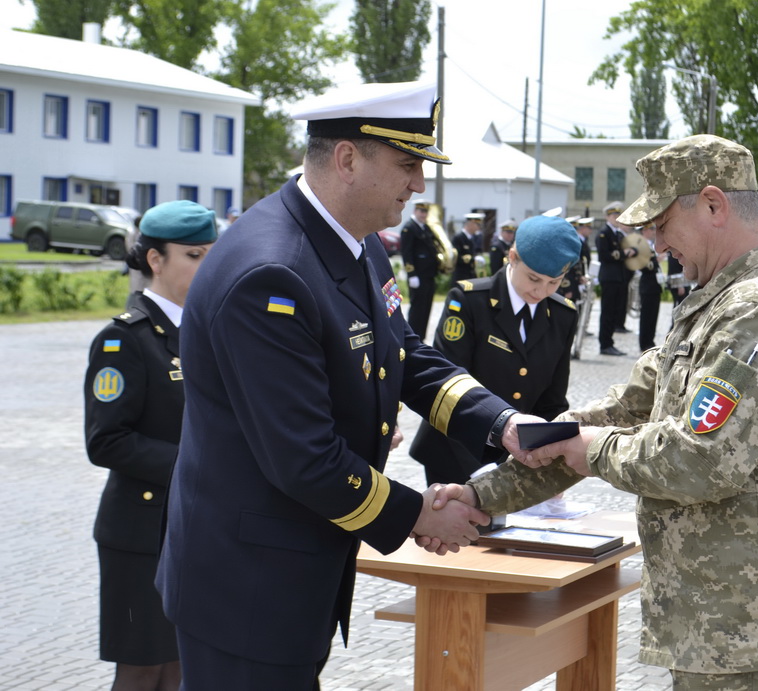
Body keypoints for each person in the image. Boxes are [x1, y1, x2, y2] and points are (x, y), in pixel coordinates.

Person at [155, 81, 539, 690]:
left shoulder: (355, 244)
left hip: (293, 571)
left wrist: (502, 424)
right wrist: (418, 514)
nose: (419, 185)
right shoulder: (272, 274)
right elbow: (304, 457)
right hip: (245, 587)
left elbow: (403, 354)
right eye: (408, 165)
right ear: (347, 159)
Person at [434, 135, 758, 690]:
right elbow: (616, 415)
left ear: (713, 205)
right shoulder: (714, 306)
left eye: (662, 223)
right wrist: (484, 494)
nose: (655, 241)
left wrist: (590, 450)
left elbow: (701, 460)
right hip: (723, 624)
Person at [84, 200, 217, 691]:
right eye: (194, 256)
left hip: (196, 524)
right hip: (140, 532)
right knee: (143, 670)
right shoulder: (124, 340)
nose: (207, 268)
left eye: (212, 256)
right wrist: (196, 466)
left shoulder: (207, 330)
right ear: (155, 260)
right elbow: (106, 441)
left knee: (182, 665)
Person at [409, 215, 581, 485]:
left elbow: (553, 400)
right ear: (513, 257)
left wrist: (548, 463)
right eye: (533, 278)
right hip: (455, 453)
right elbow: (447, 385)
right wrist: (480, 470)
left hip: (517, 459)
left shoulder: (562, 315)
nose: (541, 291)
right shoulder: (469, 302)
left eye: (554, 282)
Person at [596, 201, 634, 355]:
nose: (617, 218)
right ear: (607, 217)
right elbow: (604, 255)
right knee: (607, 312)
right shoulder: (604, 233)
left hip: (618, 277)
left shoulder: (617, 234)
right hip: (609, 277)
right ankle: (605, 344)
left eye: (618, 216)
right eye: (614, 216)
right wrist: (624, 254)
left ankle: (609, 342)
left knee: (613, 312)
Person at [400, 198, 439, 341]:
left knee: (426, 309)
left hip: (429, 275)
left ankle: (421, 339)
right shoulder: (409, 228)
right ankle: (412, 339)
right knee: (417, 310)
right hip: (418, 275)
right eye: (421, 211)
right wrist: (411, 274)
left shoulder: (426, 228)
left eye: (426, 212)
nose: (424, 215)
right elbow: (406, 253)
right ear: (415, 211)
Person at [637, 221, 663, 351]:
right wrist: (656, 261)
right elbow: (642, 265)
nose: (653, 232)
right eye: (651, 229)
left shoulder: (650, 245)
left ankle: (650, 340)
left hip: (654, 285)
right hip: (647, 284)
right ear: (644, 231)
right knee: (646, 316)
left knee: (653, 315)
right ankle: (645, 342)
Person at [451, 212, 484, 283]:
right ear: (470, 224)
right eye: (477, 224)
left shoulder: (472, 238)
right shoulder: (458, 238)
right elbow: (456, 257)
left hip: (470, 275)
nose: (479, 227)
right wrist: (473, 259)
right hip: (460, 276)